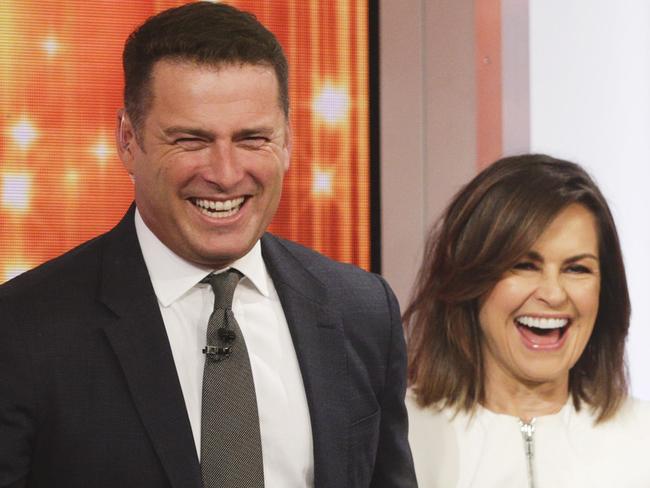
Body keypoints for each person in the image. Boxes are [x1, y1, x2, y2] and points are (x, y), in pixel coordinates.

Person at [0, 3, 416, 487]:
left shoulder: (362, 311)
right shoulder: (23, 329)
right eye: (191, 140)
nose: (224, 173)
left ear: (286, 142)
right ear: (128, 141)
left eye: (253, 138)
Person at [404, 154, 650, 487]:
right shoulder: (402, 437)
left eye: (577, 269)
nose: (553, 293)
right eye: (524, 265)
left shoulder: (641, 439)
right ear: (470, 278)